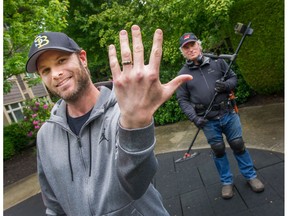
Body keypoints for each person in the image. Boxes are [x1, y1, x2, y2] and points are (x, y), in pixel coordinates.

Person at [25, 25, 192, 215]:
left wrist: (135, 126)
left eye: (61, 61)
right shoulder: (45, 136)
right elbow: (54, 206)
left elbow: (136, 185)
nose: (55, 74)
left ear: (82, 58)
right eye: (45, 70)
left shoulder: (124, 112)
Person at [176, 32, 264, 199]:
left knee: (238, 145)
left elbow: (233, 78)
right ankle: (226, 182)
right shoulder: (183, 74)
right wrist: (194, 118)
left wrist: (226, 86)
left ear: (199, 45)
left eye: (192, 44)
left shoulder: (218, 63)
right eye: (186, 47)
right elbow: (183, 100)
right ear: (183, 51)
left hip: (228, 114)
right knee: (218, 150)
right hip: (207, 120)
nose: (190, 49)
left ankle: (251, 176)